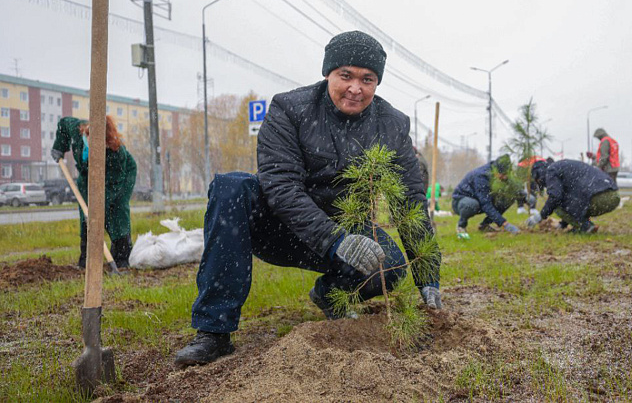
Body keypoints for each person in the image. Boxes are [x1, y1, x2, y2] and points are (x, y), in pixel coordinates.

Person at [174, 31, 442, 368]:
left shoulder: (392, 125)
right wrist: (335, 240)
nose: (355, 88)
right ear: (328, 73)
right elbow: (281, 187)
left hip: (346, 225)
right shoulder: (290, 108)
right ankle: (213, 331)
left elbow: (410, 202)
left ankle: (331, 295)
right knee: (231, 187)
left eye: (367, 79)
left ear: (377, 82)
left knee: (388, 263)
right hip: (278, 226)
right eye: (345, 75)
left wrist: (428, 280)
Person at [51, 115, 136, 269]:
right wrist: (59, 146)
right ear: (87, 134)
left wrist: (96, 208)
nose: (95, 145)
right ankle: (87, 259)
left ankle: (122, 257)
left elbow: (112, 186)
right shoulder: (78, 130)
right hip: (87, 175)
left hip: (121, 176)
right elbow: (63, 123)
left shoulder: (116, 152)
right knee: (86, 215)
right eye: (92, 140)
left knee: (117, 210)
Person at [525, 159, 620, 233]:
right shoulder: (561, 167)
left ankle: (586, 226)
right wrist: (562, 224)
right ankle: (579, 226)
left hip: (599, 197)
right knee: (570, 200)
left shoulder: (551, 170)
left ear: (539, 174)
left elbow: (555, 197)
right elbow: (570, 202)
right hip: (613, 195)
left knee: (556, 204)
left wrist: (540, 216)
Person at [450, 154, 521, 239]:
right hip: (461, 202)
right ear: (496, 170)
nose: (505, 177)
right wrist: (504, 223)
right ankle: (461, 226)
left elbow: (517, 191)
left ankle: (484, 225)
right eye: (503, 174)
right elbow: (485, 203)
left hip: (480, 201)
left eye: (506, 174)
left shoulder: (499, 175)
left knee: (507, 199)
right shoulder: (481, 177)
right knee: (472, 204)